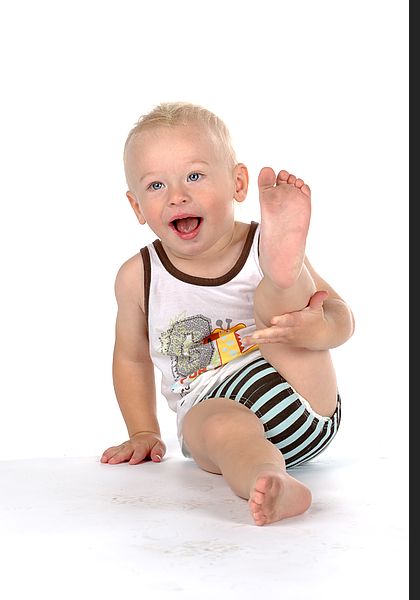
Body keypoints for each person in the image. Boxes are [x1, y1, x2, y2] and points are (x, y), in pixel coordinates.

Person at [101, 102, 354, 526]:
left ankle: (284, 276)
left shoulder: (261, 244)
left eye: (194, 176)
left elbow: (343, 317)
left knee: (276, 299)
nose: (177, 195)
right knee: (220, 429)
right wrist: (143, 430)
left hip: (299, 389)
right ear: (137, 207)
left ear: (237, 183)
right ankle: (269, 479)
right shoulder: (138, 277)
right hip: (209, 401)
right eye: (156, 185)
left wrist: (318, 326)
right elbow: (131, 357)